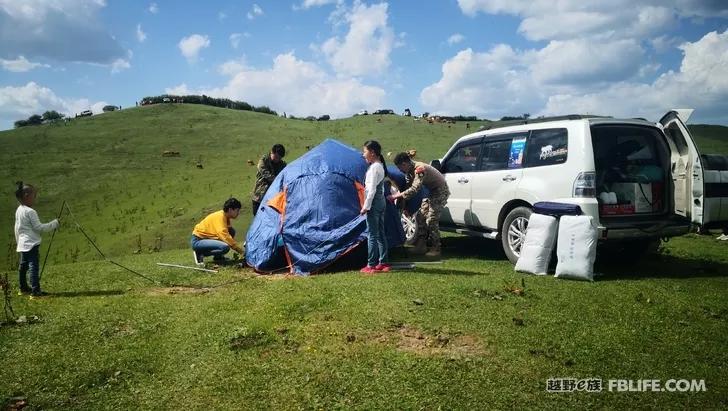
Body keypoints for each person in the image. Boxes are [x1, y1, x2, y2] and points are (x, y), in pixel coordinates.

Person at [389, 153, 450, 257]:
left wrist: (396, 196)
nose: (399, 170)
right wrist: (404, 206)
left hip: (440, 191)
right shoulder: (409, 171)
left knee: (431, 219)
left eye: (400, 168)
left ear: (404, 164)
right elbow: (407, 188)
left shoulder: (419, 169)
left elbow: (415, 189)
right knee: (420, 217)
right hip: (431, 191)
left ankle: (436, 248)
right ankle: (421, 246)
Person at [14, 182, 60, 296]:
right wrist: (54, 223)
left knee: (23, 266)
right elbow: (39, 228)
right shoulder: (30, 212)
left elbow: (17, 227)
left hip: (22, 244)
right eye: (34, 196)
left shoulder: (19, 209)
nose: (35, 199)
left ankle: (23, 288)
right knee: (33, 266)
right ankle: (36, 292)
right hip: (31, 244)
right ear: (26, 196)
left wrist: (18, 242)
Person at [360, 140, 391, 273]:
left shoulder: (374, 168)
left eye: (365, 151)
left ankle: (371, 265)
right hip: (381, 202)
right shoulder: (380, 166)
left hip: (374, 203)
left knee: (372, 234)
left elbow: (371, 190)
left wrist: (366, 206)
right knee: (380, 233)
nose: (363, 154)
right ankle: (383, 263)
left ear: (372, 153)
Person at [191, 198, 244, 266]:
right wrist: (240, 250)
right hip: (198, 240)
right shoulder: (220, 217)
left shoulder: (226, 217)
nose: (238, 213)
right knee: (225, 247)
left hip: (206, 239)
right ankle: (200, 254)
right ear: (230, 209)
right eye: (237, 210)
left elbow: (228, 233)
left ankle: (218, 257)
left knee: (231, 231)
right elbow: (224, 235)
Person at [251, 144, 287, 215]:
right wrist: (278, 180)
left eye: (279, 158)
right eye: (276, 157)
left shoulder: (282, 165)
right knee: (257, 218)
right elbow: (266, 174)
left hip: (272, 199)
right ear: (272, 152)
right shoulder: (263, 161)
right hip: (259, 197)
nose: (277, 160)